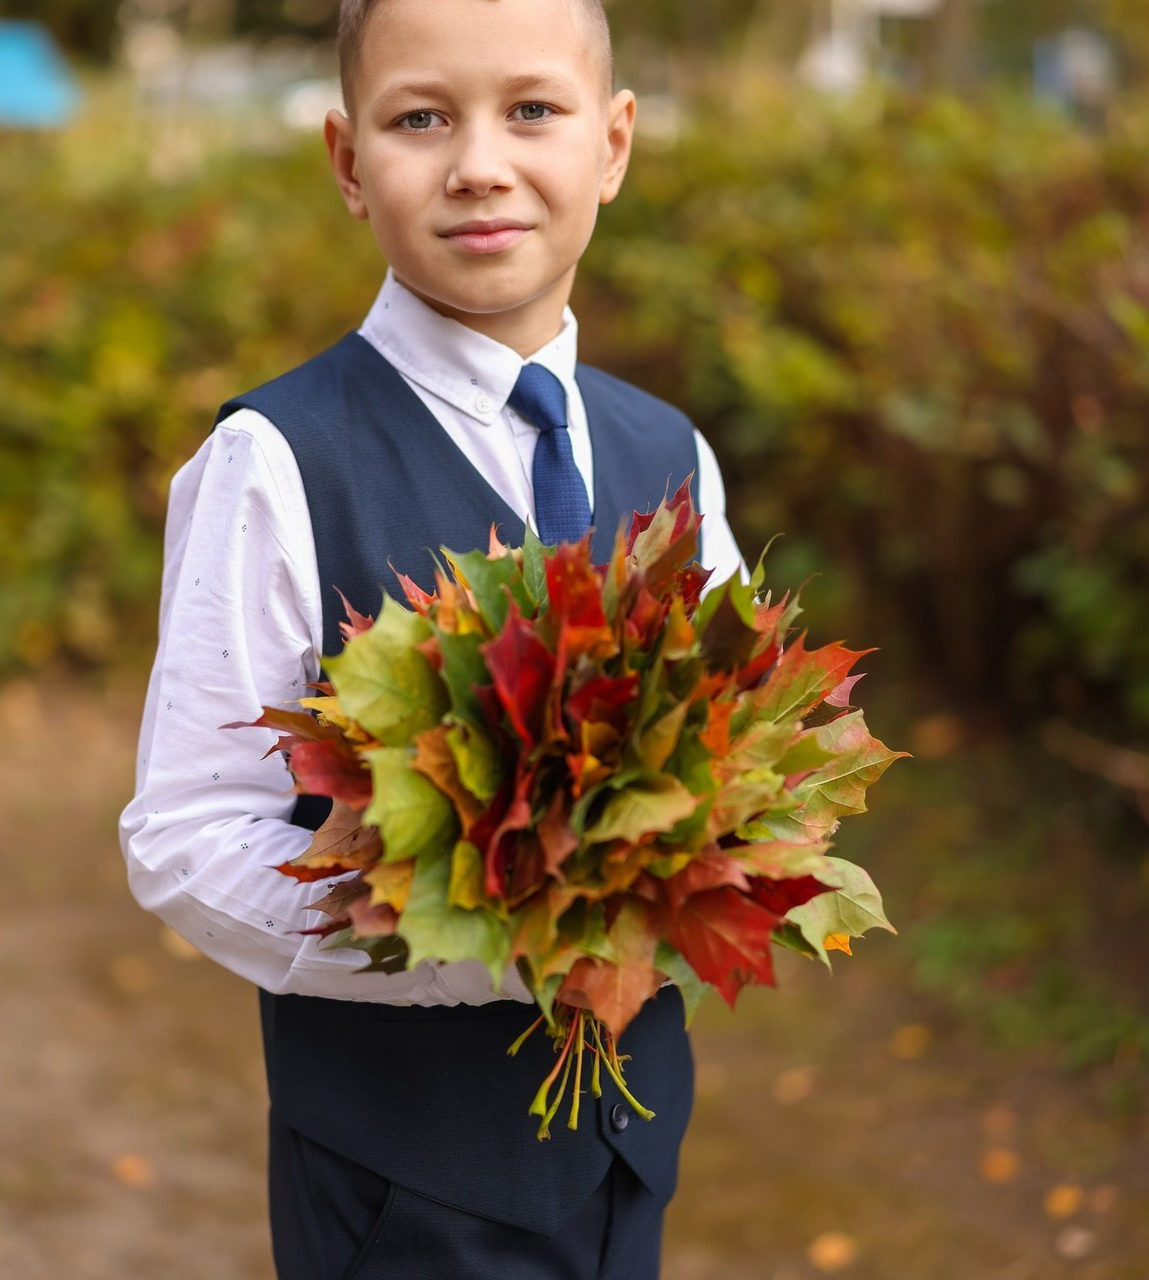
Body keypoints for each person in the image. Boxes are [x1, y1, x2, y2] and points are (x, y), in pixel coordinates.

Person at [120, 0, 745, 1275]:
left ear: (612, 144)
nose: (477, 161)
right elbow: (185, 831)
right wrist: (474, 948)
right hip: (399, 1187)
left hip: (627, 1150)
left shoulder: (667, 451)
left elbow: (726, 751)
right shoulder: (278, 462)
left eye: (531, 109)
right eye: (420, 118)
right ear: (349, 163)